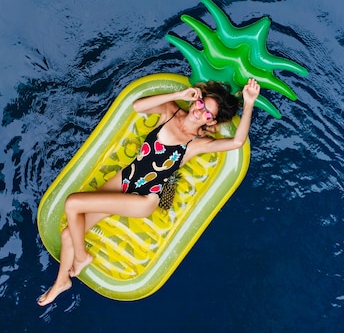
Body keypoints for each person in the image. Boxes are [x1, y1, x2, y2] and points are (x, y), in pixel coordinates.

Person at [37, 78, 260, 306]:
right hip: (125, 179)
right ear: (197, 100)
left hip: (144, 199)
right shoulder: (171, 112)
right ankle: (62, 281)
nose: (200, 113)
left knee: (73, 203)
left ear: (212, 122)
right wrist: (178, 96)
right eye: (202, 105)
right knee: (68, 235)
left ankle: (81, 259)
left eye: (208, 115)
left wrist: (249, 102)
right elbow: (137, 107)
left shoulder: (197, 143)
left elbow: (237, 142)